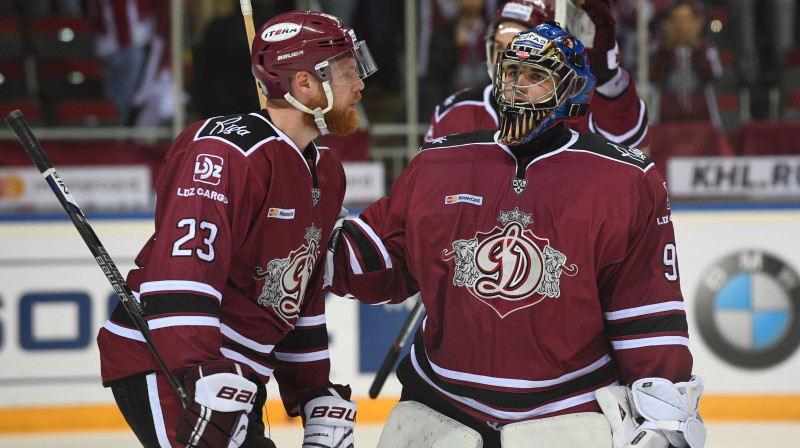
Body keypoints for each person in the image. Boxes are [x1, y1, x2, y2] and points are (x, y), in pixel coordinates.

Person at [325, 23, 706, 448]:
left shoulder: (624, 179)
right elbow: (377, 260)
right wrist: (306, 229)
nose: (517, 88)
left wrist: (664, 415)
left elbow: (646, 312)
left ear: (572, 91)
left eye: (537, 77)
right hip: (440, 409)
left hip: (568, 416)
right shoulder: (440, 161)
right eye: (510, 74)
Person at [96, 10, 377, 448]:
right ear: (304, 84)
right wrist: (198, 369)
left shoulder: (328, 171)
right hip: (170, 363)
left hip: (233, 376)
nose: (359, 83)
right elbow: (184, 270)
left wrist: (312, 391)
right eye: (346, 71)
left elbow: (295, 290)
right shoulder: (226, 153)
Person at [425, 0, 650, 151]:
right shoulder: (453, 113)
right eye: (498, 47)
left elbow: (626, 142)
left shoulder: (573, 111)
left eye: (516, 49)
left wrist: (608, 78)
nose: (504, 61)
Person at [649, 0, 724, 128]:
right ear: (667, 24)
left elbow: (712, 74)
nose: (682, 26)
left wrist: (697, 49)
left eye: (687, 20)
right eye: (677, 20)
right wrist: (667, 49)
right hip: (667, 121)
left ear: (698, 23)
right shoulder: (659, 51)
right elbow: (654, 77)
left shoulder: (707, 49)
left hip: (701, 119)